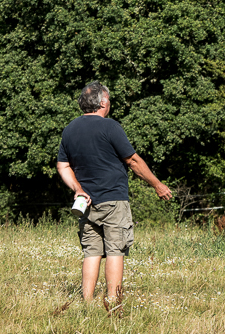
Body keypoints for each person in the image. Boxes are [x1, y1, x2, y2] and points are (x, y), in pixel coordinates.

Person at [56, 81, 172, 302]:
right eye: (108, 100)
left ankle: (87, 302)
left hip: (86, 203)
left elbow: (63, 166)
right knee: (115, 250)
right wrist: (157, 185)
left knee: (91, 252)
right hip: (113, 201)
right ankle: (113, 302)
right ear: (102, 103)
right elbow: (133, 161)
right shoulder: (110, 127)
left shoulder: (70, 129)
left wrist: (78, 189)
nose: (110, 103)